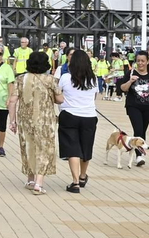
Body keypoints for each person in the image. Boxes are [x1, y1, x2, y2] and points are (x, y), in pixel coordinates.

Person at [8, 50, 61, 193]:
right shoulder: (51, 80)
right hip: (45, 120)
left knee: (28, 146)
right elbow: (60, 99)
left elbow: (12, 101)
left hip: (25, 119)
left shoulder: (20, 79)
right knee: (44, 148)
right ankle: (39, 183)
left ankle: (30, 179)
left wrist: (12, 121)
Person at [57, 48, 101, 193]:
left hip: (69, 115)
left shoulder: (65, 78)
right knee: (85, 147)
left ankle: (75, 182)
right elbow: (94, 97)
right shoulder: (93, 79)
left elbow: (58, 95)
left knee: (72, 148)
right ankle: (83, 176)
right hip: (89, 116)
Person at [122, 51, 149, 165]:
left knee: (143, 130)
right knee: (138, 129)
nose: (140, 63)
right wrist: (130, 81)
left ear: (147, 61)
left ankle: (136, 149)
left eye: (143, 61)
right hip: (133, 106)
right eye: (138, 61)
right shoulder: (131, 73)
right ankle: (139, 156)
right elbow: (123, 88)